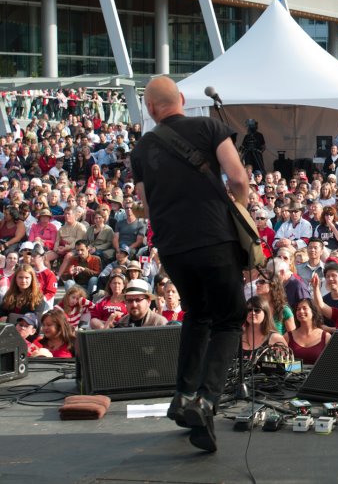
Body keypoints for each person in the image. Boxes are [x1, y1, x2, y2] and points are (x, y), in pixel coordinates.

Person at [131, 75, 249, 453]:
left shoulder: (143, 147)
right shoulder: (210, 126)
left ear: (151, 109)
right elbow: (238, 177)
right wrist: (240, 209)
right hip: (214, 238)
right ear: (181, 99)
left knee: (196, 314)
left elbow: (145, 207)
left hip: (172, 247)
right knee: (229, 319)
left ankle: (182, 396)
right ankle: (206, 400)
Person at [285, 298, 330, 364]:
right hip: (294, 373)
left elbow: (330, 364)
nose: (301, 311)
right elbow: (283, 364)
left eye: (304, 308)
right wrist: (299, 370)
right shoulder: (288, 336)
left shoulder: (326, 337)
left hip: (318, 374)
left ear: (313, 312)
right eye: (298, 309)